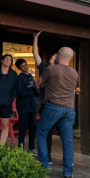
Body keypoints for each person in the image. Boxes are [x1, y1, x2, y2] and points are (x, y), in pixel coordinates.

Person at [36, 47, 78, 178]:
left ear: (59, 55)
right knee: (67, 140)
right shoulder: (74, 73)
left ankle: (44, 165)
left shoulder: (51, 69)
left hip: (53, 107)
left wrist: (46, 84)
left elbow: (39, 83)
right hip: (70, 109)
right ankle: (68, 171)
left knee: (41, 133)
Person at [33, 31, 58, 164]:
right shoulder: (45, 69)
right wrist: (35, 39)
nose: (51, 57)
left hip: (54, 106)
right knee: (47, 133)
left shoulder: (59, 72)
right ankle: (47, 158)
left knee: (49, 133)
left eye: (54, 57)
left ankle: (48, 159)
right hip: (47, 105)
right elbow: (35, 54)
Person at [15, 58, 39, 154]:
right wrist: (32, 90)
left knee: (33, 127)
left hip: (32, 106)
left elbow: (34, 90)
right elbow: (20, 92)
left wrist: (36, 92)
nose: (25, 67)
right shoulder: (19, 78)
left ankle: (31, 148)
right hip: (23, 106)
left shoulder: (30, 76)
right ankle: (21, 147)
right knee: (23, 127)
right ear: (19, 68)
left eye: (25, 64)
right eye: (22, 66)